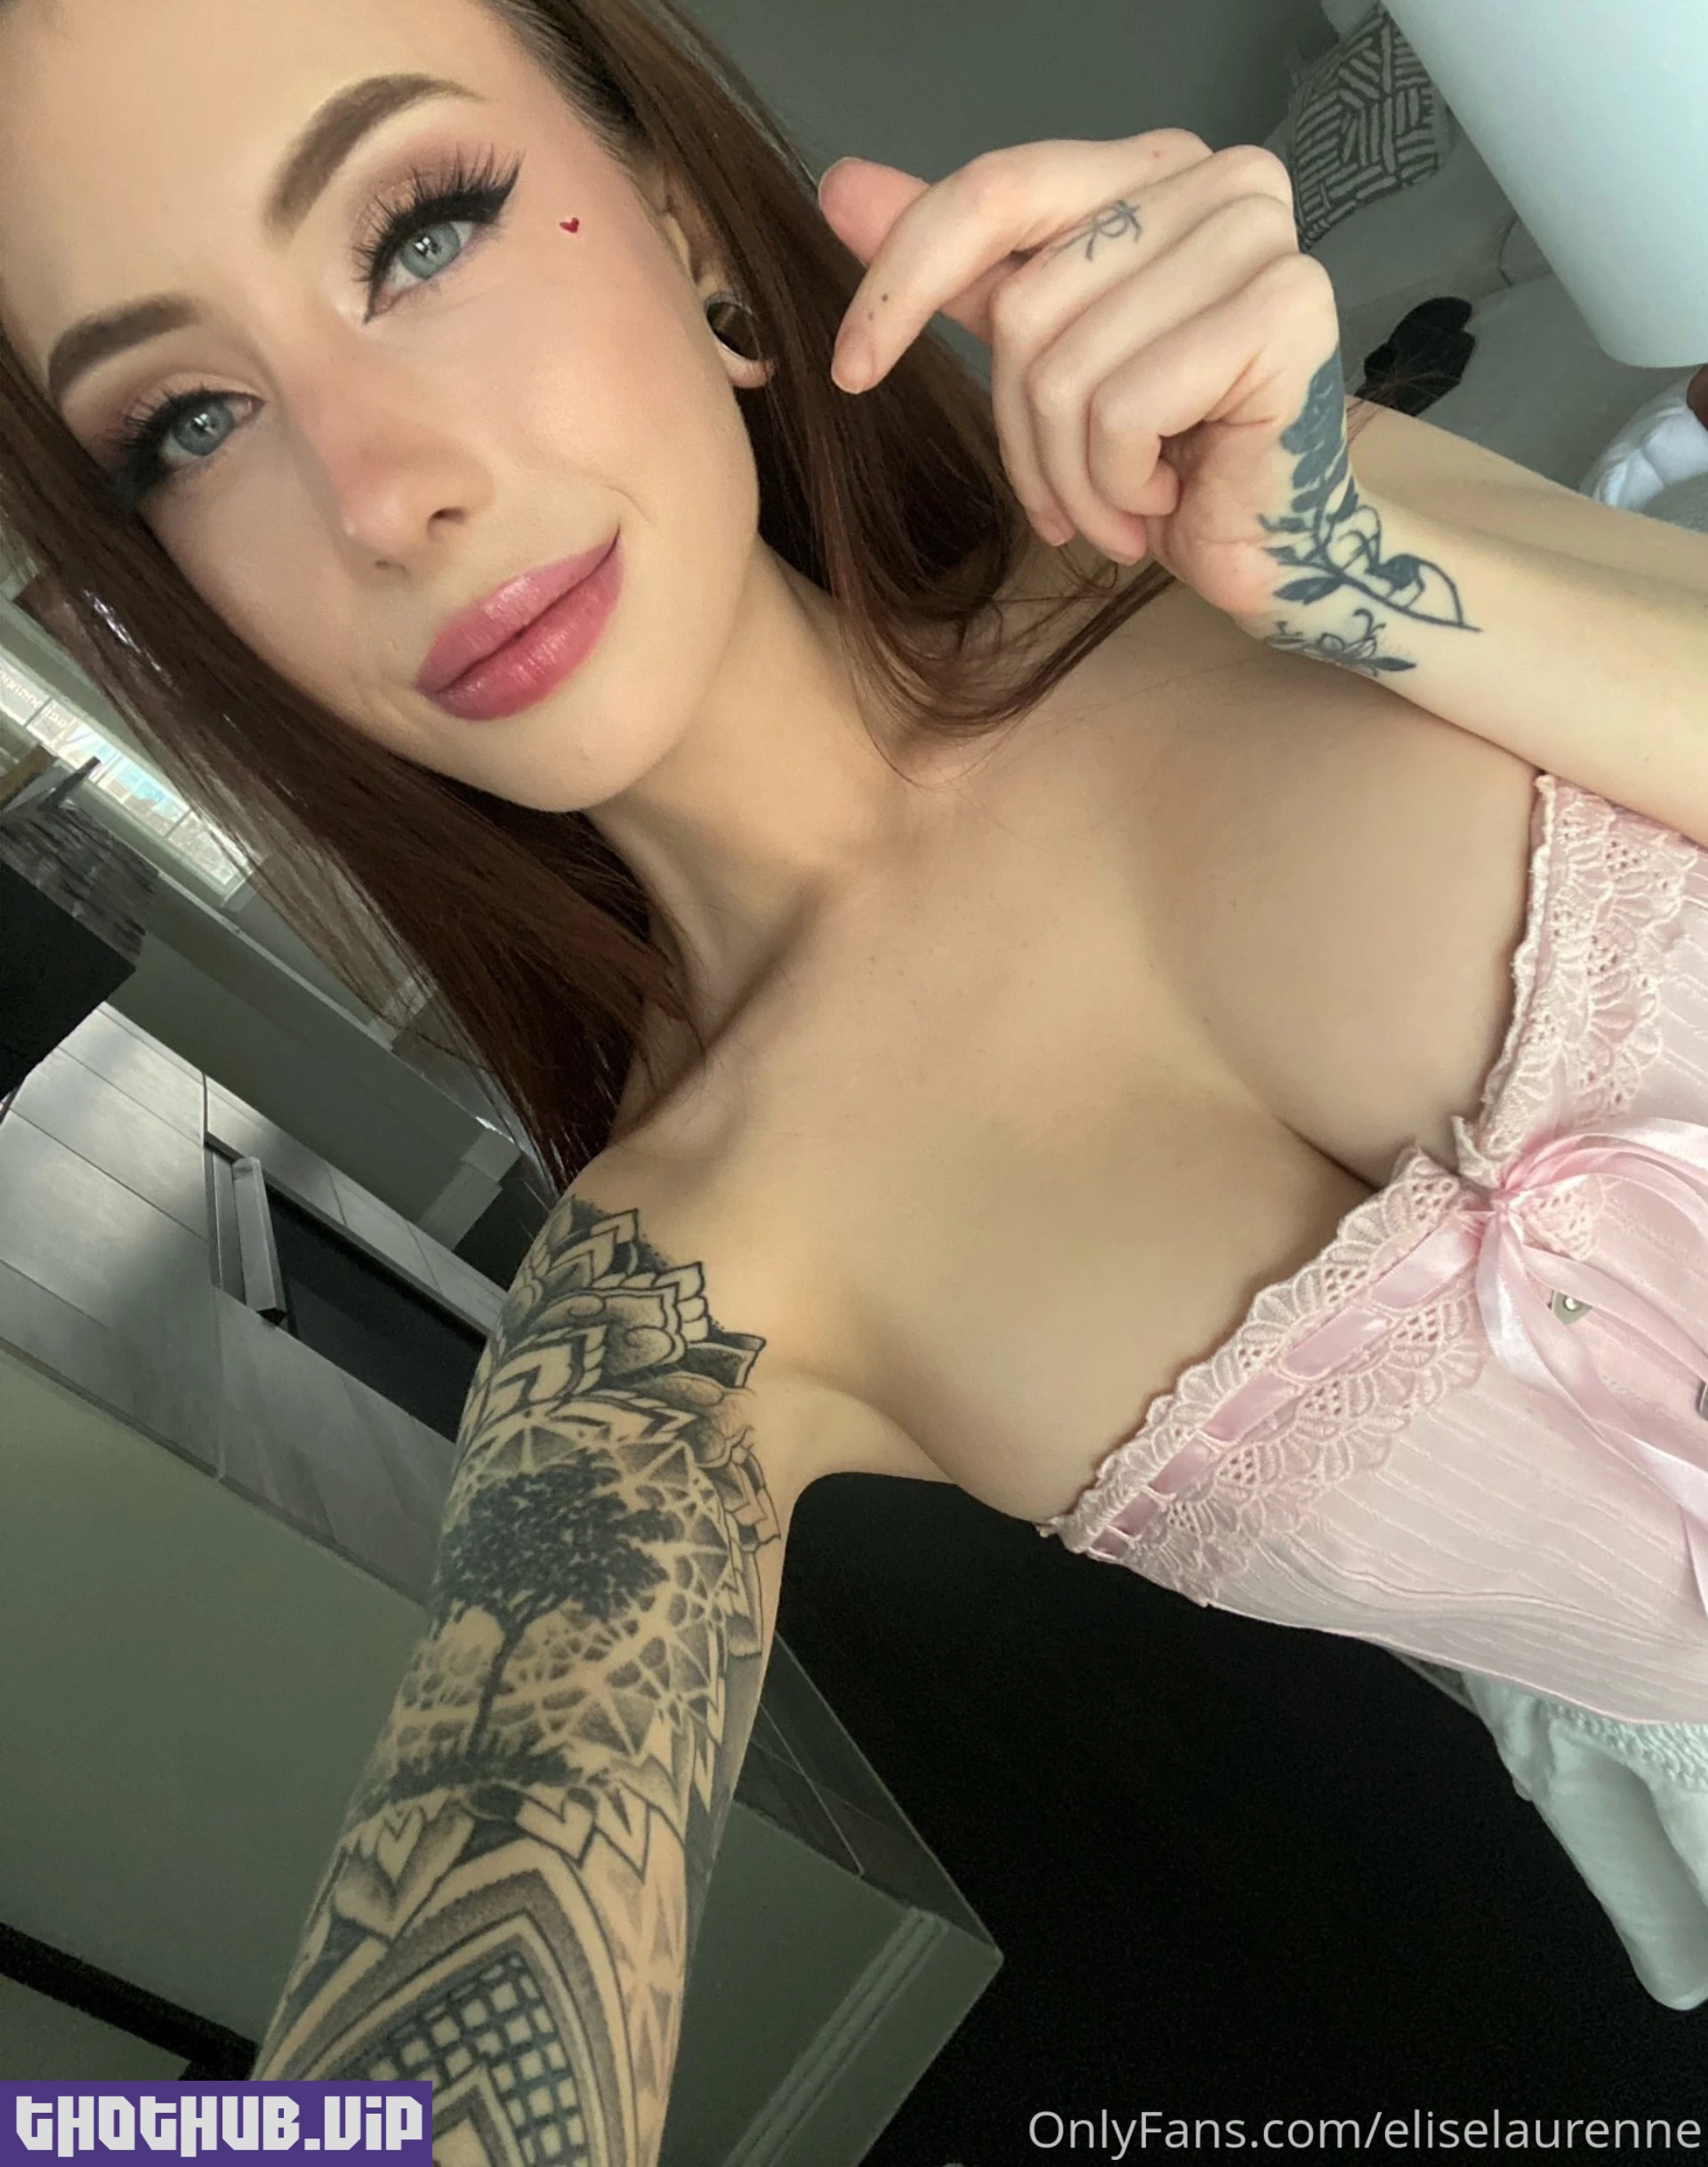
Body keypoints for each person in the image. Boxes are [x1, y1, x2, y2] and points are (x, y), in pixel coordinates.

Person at [4, 0, 1708, 2147]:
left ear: (691, 229)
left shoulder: (1283, 534)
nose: (384, 495)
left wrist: (1359, 572)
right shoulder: (669, 1313)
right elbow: (431, 2074)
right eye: (189, 424)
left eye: (419, 233)